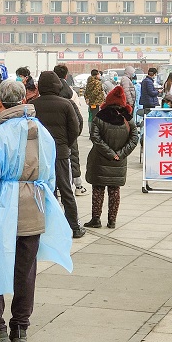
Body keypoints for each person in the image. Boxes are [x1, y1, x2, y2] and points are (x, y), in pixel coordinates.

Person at [0, 79, 73, 342]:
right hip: (33, 203)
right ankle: (20, 326)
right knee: (26, 268)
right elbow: (49, 176)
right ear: (24, 99)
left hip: (2, 206)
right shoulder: (42, 133)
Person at [32, 71, 85, 238]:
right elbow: (74, 130)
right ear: (58, 85)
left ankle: (49, 227)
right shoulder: (66, 104)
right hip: (61, 153)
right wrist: (65, 145)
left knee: (45, 190)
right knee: (66, 189)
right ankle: (73, 227)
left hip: (40, 154)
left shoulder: (33, 104)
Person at [84, 86, 138, 229]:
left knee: (98, 190)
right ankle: (112, 220)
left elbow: (94, 137)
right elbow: (134, 139)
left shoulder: (99, 117)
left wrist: (109, 153)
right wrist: (119, 154)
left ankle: (96, 219)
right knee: (114, 191)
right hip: (118, 162)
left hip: (99, 160)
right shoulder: (128, 119)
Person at [54, 64, 89, 197]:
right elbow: (78, 115)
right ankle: (78, 186)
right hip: (69, 132)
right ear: (66, 75)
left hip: (54, 134)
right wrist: (74, 133)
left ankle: (56, 189)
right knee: (73, 157)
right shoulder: (71, 93)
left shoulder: (48, 93)